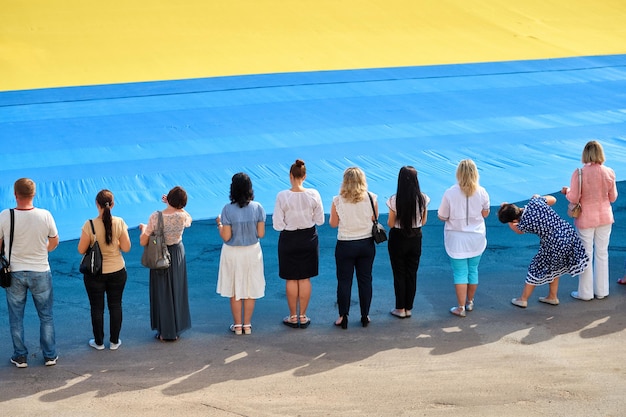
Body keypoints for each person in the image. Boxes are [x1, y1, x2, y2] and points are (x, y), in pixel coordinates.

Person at [0, 178, 59, 368]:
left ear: (15, 195)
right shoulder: (45, 215)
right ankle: (49, 355)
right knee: (46, 315)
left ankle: (20, 356)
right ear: (34, 194)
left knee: (16, 317)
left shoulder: (5, 215)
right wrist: (43, 250)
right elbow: (54, 240)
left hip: (15, 271)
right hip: (41, 270)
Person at [498, 195, 589, 308]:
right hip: (568, 234)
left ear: (514, 220)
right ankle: (552, 296)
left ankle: (523, 299)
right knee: (555, 267)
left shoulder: (524, 223)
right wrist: (538, 197)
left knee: (535, 268)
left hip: (553, 243)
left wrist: (510, 222)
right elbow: (553, 200)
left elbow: (518, 230)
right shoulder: (535, 202)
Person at [561, 140, 618, 301]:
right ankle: (602, 291)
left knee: (586, 254)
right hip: (605, 217)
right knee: (602, 253)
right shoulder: (609, 172)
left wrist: (567, 191)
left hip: (586, 218)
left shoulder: (579, 172)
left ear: (585, 154)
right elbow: (613, 198)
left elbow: (573, 197)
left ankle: (585, 293)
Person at [273, 159, 325, 329]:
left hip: (288, 238)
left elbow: (277, 225)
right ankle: (302, 315)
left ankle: (292, 315)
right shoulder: (314, 194)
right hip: (308, 237)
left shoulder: (282, 196)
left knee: (290, 278)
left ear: (290, 176)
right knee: (304, 278)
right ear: (305, 176)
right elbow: (320, 220)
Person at [78, 189, 131, 350]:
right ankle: (115, 341)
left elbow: (81, 250)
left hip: (95, 273)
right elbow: (127, 247)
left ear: (96, 204)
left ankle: (99, 342)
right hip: (117, 270)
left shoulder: (90, 225)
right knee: (116, 305)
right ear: (113, 204)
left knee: (97, 307)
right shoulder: (120, 222)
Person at [437, 159, 490, 318]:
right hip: (476, 237)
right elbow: (485, 213)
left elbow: (442, 215)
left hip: (456, 239)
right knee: (473, 270)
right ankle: (470, 301)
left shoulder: (450, 192)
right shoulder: (482, 192)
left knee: (460, 272)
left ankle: (460, 307)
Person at [139, 186, 192, 341]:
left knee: (162, 292)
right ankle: (176, 328)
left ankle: (165, 331)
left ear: (168, 198)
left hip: (160, 254)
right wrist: (173, 203)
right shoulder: (182, 217)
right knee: (177, 290)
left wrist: (143, 229)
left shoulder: (156, 217)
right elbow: (188, 216)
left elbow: (143, 241)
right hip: (177, 253)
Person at [216, 172, 266, 335]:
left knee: (235, 288)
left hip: (232, 252)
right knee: (250, 288)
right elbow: (261, 233)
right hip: (252, 251)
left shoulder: (227, 209)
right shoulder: (258, 207)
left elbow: (226, 236)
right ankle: (247, 324)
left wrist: (219, 225)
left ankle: (237, 325)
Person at [329, 167, 378, 329]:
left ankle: (343, 316)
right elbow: (374, 219)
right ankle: (365, 315)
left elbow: (333, 224)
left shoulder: (337, 200)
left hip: (345, 243)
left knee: (344, 281)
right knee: (365, 280)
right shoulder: (371, 198)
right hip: (366, 243)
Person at [386, 166, 430, 319]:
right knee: (412, 273)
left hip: (398, 237)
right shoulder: (423, 199)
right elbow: (423, 221)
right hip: (416, 237)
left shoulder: (394, 199)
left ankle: (400, 307)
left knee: (399, 273)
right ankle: (409, 307)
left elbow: (391, 223)